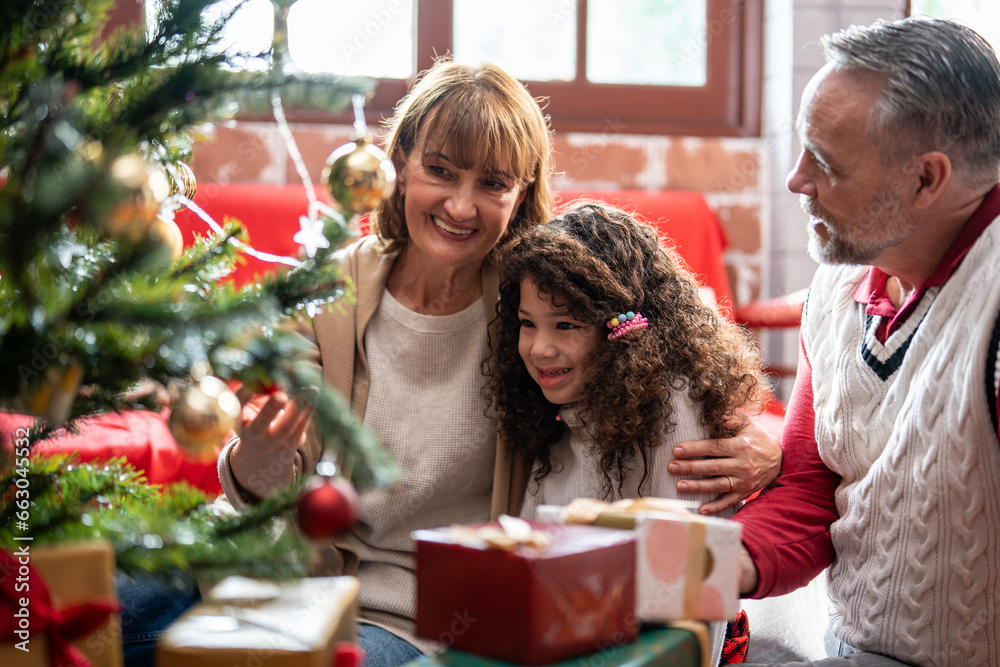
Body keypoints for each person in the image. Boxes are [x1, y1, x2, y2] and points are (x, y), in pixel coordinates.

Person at [216, 60, 782, 666]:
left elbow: (657, 344)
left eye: (492, 183)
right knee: (119, 602)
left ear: (522, 192)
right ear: (400, 163)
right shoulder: (329, 292)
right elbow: (275, 479)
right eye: (440, 171)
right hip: (288, 576)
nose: (461, 207)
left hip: (415, 614)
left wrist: (770, 449)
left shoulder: (533, 297)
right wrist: (253, 464)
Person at [725, 17, 1000, 667]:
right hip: (852, 646)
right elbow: (809, 489)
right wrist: (709, 565)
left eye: (825, 162)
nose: (797, 179)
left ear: (927, 179)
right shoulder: (841, 282)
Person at [486, 202, 765, 666]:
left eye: (566, 325)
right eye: (527, 324)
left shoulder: (672, 410)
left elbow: (688, 598)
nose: (540, 348)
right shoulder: (557, 401)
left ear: (621, 329)